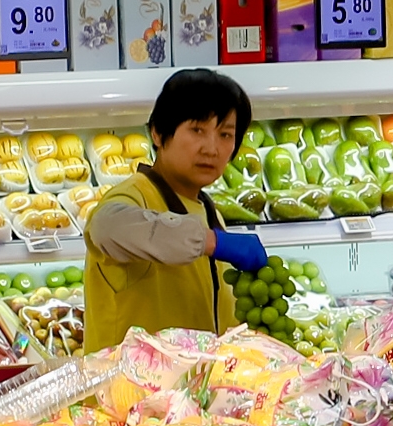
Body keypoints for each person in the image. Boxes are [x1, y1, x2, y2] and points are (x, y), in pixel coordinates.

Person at [81, 68, 270, 349]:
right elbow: (104, 227)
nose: (212, 149)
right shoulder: (134, 195)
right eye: (197, 130)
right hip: (129, 379)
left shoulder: (208, 210)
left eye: (225, 134)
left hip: (195, 377)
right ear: (158, 133)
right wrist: (212, 242)